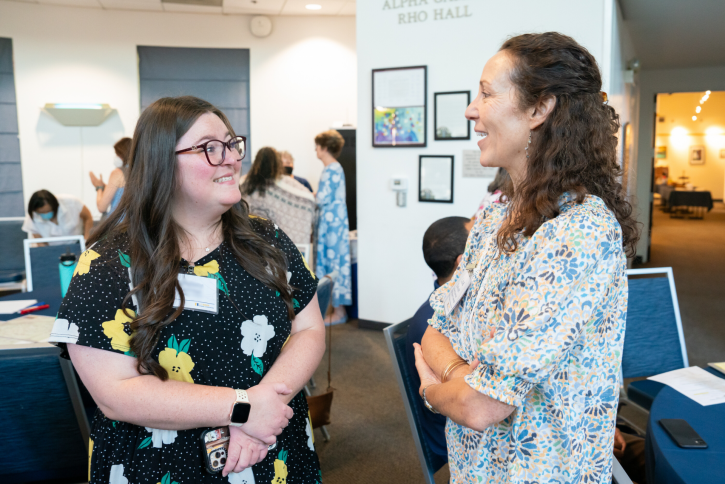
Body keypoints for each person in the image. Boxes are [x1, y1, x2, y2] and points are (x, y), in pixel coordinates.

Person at [48, 96, 326, 483]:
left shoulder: (269, 240)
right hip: (165, 466)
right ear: (161, 162)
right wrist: (244, 408)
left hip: (273, 448)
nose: (230, 157)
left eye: (231, 144)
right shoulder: (108, 263)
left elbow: (309, 329)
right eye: (210, 148)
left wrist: (265, 407)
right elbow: (114, 392)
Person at [412, 32, 639, 484]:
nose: (471, 109)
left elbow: (480, 407)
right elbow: (436, 330)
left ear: (539, 109)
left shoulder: (579, 232)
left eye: (487, 93)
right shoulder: (497, 212)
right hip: (475, 469)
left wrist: (435, 390)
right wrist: (459, 372)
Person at [405, 216, 473, 459]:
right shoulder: (438, 323)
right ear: (462, 261)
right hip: (454, 430)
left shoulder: (438, 310)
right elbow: (469, 401)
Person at [240, 147, 317, 245]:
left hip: (249, 239)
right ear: (277, 163)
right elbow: (307, 197)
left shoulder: (245, 183)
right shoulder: (286, 183)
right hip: (275, 241)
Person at [314, 130, 352, 324]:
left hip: (331, 225)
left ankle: (339, 312)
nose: (315, 150)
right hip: (335, 223)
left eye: (317, 146)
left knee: (333, 263)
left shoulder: (331, 169)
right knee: (335, 262)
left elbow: (321, 199)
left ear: (324, 147)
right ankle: (337, 309)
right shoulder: (335, 168)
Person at [22, 189, 93, 242]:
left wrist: (86, 240)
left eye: (48, 211)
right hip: (52, 248)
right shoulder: (32, 216)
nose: (46, 214)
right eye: (42, 213)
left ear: (55, 206)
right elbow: (39, 240)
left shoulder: (71, 202)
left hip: (77, 242)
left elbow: (88, 218)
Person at [89, 137, 131, 215]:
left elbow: (101, 207)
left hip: (117, 224)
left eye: (117, 154)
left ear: (123, 153)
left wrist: (99, 188)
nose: (116, 157)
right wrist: (105, 186)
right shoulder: (139, 172)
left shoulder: (117, 173)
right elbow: (121, 191)